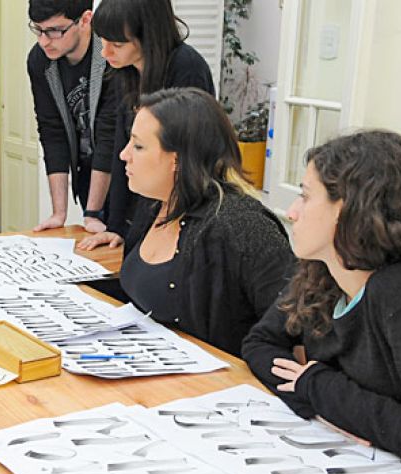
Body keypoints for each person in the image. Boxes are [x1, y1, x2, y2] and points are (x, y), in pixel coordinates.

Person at [243, 130, 401, 474]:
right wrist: (315, 402)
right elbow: (259, 343)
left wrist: (321, 389)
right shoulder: (321, 271)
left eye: (306, 197)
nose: (292, 212)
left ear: (350, 208)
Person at [99, 88, 293, 357]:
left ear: (176, 160)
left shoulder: (242, 225)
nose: (124, 154)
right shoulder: (154, 203)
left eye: (138, 146)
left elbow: (293, 325)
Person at [79, 0, 215, 248]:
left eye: (117, 44)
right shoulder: (126, 71)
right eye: (103, 41)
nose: (105, 53)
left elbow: (189, 161)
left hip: (179, 213)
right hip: (142, 209)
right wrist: (116, 226)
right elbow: (122, 148)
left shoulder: (187, 68)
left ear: (149, 36)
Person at [27, 0, 117, 233]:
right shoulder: (40, 60)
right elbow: (51, 131)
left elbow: (110, 133)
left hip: (124, 178)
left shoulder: (110, 53)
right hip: (87, 175)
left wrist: (93, 213)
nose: (43, 41)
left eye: (55, 31)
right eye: (38, 30)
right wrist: (59, 213)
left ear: (85, 20)